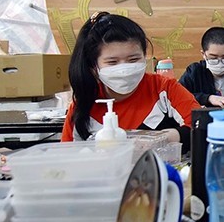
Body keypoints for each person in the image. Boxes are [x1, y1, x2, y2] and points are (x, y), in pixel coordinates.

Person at [62, 12, 200, 151]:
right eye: (112, 62)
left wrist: (166, 137)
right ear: (93, 66)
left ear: (144, 56)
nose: (124, 69)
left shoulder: (164, 88)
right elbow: (66, 153)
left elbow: (202, 125)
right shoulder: (84, 104)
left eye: (133, 60)